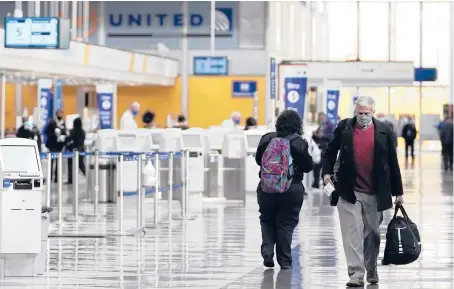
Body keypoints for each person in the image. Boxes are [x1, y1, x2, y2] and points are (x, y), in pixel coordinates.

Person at [322, 96, 404, 287]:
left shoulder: (384, 131)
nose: (363, 117)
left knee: (372, 234)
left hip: (375, 192)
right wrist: (326, 173)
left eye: (367, 113)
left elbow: (393, 163)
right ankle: (356, 274)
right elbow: (330, 151)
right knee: (352, 232)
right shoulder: (344, 128)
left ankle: (371, 268)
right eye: (360, 113)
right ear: (355, 111)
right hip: (349, 191)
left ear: (373, 112)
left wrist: (398, 192)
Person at [255, 110, 314, 269]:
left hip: (266, 188)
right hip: (291, 189)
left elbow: (257, 160)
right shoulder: (299, 142)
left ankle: (267, 250)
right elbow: (308, 167)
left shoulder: (267, 138)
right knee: (285, 224)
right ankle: (285, 261)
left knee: (267, 219)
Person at [45, 110, 67, 182]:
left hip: (59, 146)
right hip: (52, 145)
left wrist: (62, 136)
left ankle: (57, 177)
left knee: (58, 162)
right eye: (59, 113)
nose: (60, 114)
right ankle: (50, 176)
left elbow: (65, 132)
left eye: (61, 113)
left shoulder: (63, 123)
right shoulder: (52, 123)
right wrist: (54, 135)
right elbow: (47, 132)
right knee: (51, 161)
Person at [65, 118, 86, 184]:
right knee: (81, 165)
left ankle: (70, 179)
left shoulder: (72, 131)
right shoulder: (83, 132)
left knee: (70, 165)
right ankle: (88, 176)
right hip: (81, 150)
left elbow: (68, 139)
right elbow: (81, 141)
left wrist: (68, 146)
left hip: (72, 150)